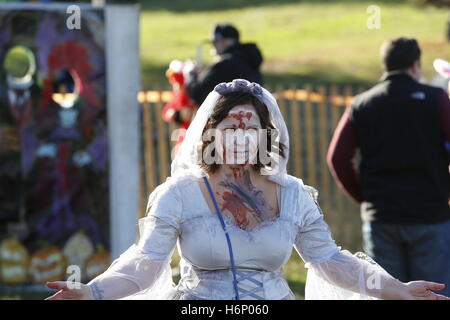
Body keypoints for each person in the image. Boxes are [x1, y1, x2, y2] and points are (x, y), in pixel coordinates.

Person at [45, 79, 449, 300]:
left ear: (263, 136)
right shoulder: (180, 194)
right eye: (231, 126)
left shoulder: (292, 195)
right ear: (210, 135)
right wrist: (92, 293)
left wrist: (396, 289)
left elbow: (330, 262)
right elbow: (145, 265)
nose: (241, 134)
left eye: (250, 126)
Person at [327, 37, 450, 296]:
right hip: (430, 215)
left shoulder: (362, 103)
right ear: (415, 65)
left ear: (385, 65)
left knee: (386, 293)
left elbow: (337, 158)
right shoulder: (436, 99)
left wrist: (364, 198)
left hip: (381, 217)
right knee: (434, 292)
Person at [185, 23, 263, 106]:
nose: (213, 46)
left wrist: (191, 74)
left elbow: (197, 94)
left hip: (231, 117)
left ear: (225, 41)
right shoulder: (248, 60)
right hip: (252, 114)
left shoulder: (224, 64)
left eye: (215, 42)